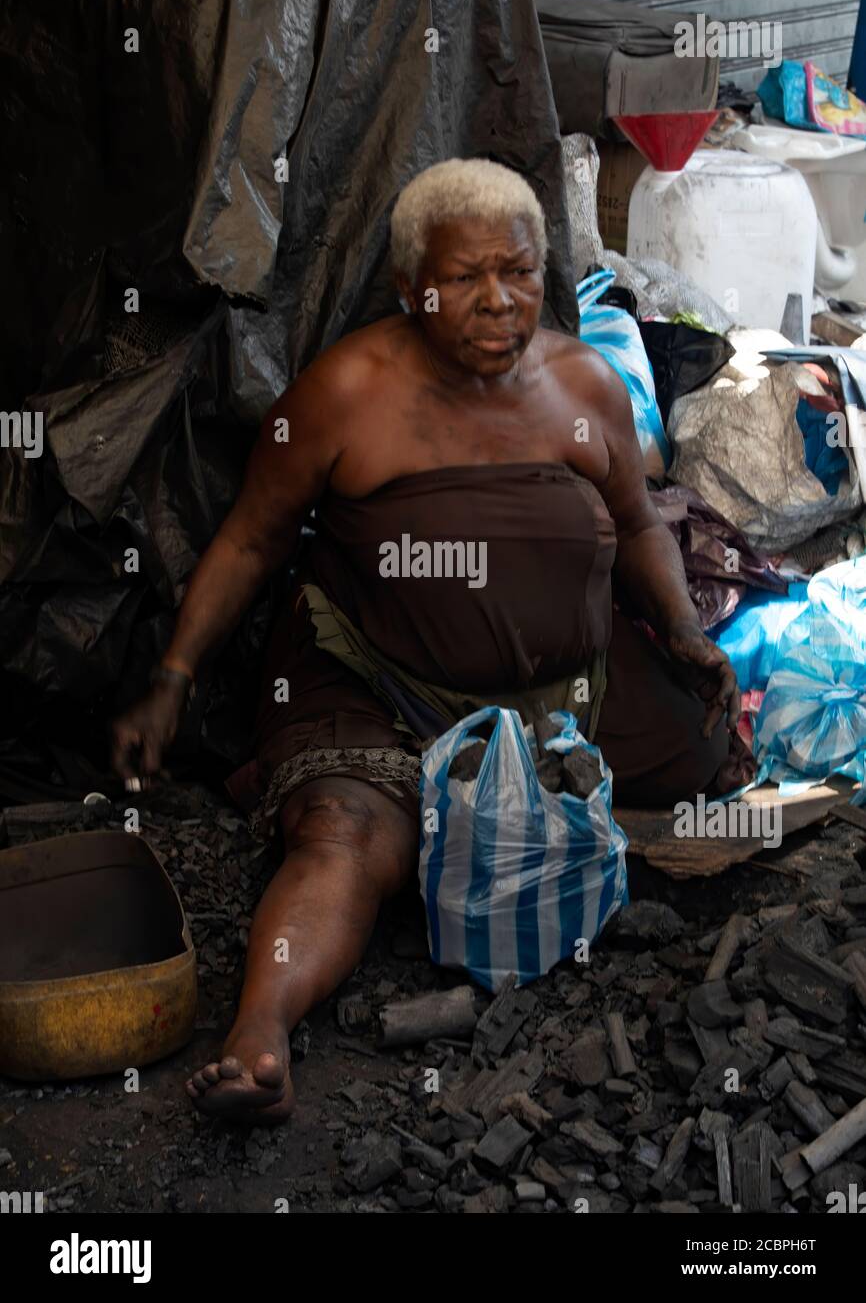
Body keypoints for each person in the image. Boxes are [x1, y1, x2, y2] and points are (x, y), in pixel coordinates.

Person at [111, 157, 752, 1124]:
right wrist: (171, 673)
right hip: (381, 686)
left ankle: (484, 828)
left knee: (706, 756)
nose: (498, 303)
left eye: (521, 273)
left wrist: (682, 628)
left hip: (562, 695)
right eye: (463, 279)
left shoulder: (584, 382)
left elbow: (640, 524)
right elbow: (249, 536)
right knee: (346, 836)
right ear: (413, 287)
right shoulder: (347, 391)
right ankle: (261, 1033)